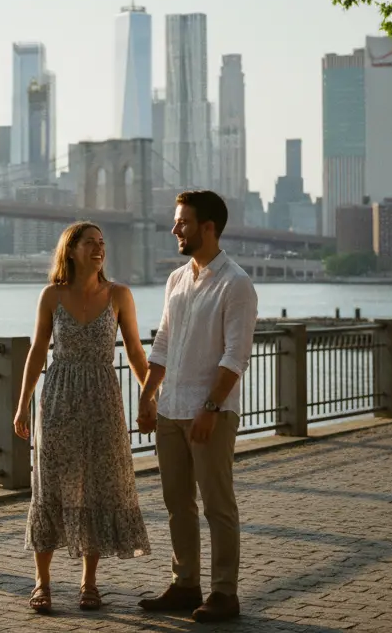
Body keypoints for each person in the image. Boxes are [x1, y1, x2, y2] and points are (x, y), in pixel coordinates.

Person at [13, 222, 152, 614]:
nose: (99, 248)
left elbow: (137, 352)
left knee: (96, 486)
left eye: (102, 242)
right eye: (90, 242)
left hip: (104, 401)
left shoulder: (119, 294)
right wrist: (23, 404)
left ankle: (89, 582)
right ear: (70, 250)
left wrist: (149, 396)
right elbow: (37, 351)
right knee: (50, 486)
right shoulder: (51, 296)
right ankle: (43, 582)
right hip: (58, 399)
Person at [136, 190, 257, 624]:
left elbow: (235, 356)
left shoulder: (237, 283)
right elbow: (163, 343)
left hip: (211, 414)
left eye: (183, 222)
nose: (175, 230)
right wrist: (149, 395)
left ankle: (225, 592)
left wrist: (210, 407)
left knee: (217, 505)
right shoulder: (176, 280)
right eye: (176, 222)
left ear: (208, 227)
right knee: (177, 504)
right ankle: (186, 583)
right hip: (171, 409)